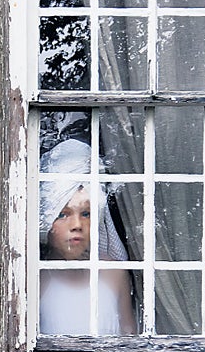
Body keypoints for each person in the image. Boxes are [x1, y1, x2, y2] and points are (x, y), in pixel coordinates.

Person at [38, 139, 137, 335]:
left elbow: (130, 337)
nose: (76, 226)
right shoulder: (37, 277)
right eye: (63, 214)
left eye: (86, 214)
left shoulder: (113, 272)